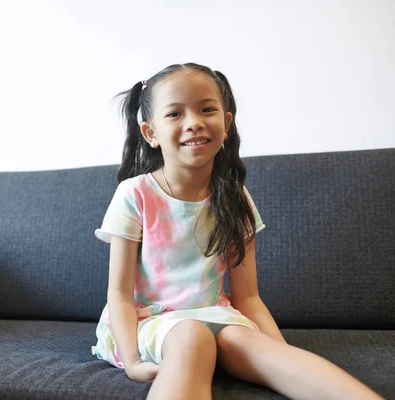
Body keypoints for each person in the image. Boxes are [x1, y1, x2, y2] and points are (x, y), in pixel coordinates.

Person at [91, 63, 382, 400]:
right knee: (191, 337)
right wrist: (133, 361)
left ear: (226, 124)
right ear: (150, 133)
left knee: (241, 339)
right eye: (175, 113)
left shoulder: (234, 197)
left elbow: (248, 297)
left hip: (214, 313)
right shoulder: (135, 194)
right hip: (148, 323)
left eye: (207, 109)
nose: (194, 122)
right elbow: (121, 295)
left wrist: (278, 352)